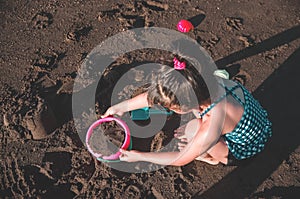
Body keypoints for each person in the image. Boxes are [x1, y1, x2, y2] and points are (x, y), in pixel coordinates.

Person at [101, 55, 272, 166]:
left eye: (171, 107)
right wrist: (120, 107)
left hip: (244, 147)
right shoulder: (206, 82)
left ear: (186, 104)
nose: (168, 109)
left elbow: (180, 159)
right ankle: (203, 143)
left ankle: (211, 158)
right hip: (257, 121)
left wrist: (140, 156)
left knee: (192, 132)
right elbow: (160, 95)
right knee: (193, 129)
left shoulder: (213, 121)